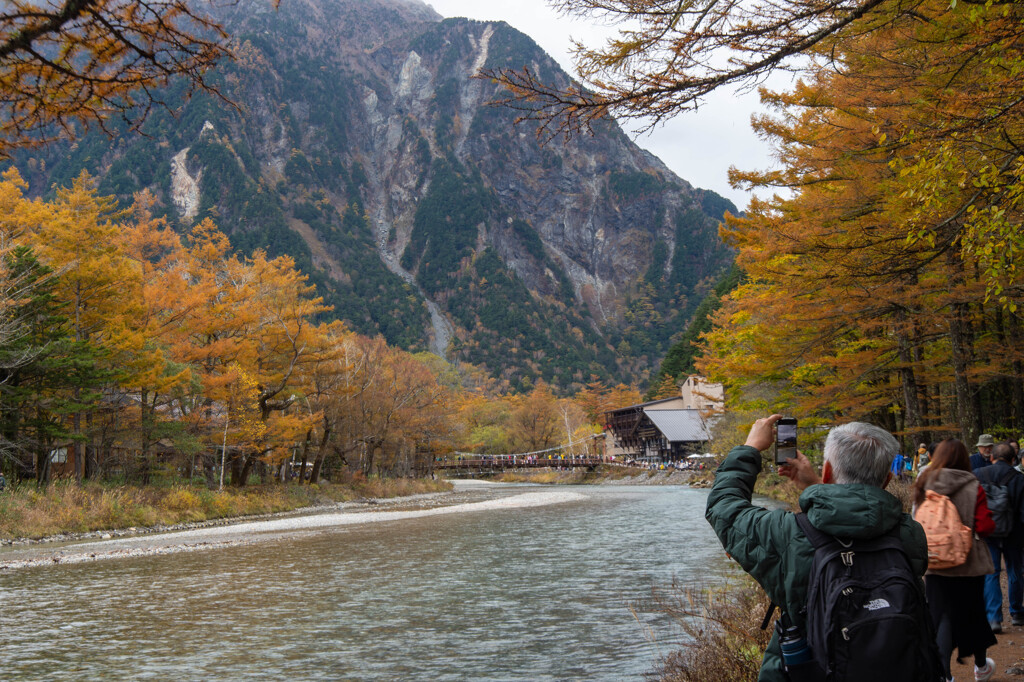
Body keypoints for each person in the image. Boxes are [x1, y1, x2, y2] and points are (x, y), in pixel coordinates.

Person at [705, 416, 933, 681]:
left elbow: (723, 508)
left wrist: (751, 447)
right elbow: (862, 521)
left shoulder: (787, 534)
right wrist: (817, 487)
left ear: (827, 471)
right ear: (887, 479)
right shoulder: (909, 533)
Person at [914, 439, 997, 682]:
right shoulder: (973, 485)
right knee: (973, 614)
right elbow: (984, 526)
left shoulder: (923, 483)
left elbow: (915, 519)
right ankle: (981, 667)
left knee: (941, 619)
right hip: (968, 564)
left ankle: (945, 675)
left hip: (935, 561)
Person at [974, 441, 1024, 632]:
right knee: (1015, 571)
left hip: (988, 532)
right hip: (1014, 533)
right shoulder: (1019, 478)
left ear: (992, 457)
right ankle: (1017, 612)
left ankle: (993, 618)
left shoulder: (979, 475)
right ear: (1013, 459)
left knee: (992, 572)